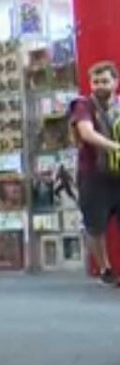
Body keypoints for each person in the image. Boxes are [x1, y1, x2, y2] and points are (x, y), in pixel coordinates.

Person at [69, 61, 120, 285]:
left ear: (115, 82)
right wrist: (116, 147)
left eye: (104, 81)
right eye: (95, 81)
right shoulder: (83, 106)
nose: (99, 85)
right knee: (95, 226)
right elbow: (86, 133)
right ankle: (105, 269)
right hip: (93, 176)